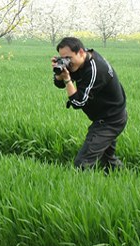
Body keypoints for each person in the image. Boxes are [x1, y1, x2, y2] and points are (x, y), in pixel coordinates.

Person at [52, 37, 127, 172]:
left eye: (68, 58)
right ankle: (126, 178)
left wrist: (68, 79)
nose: (67, 62)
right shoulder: (80, 61)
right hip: (109, 116)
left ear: (81, 52)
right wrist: (60, 73)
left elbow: (78, 102)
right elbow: (59, 85)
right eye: (63, 58)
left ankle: (79, 189)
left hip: (110, 120)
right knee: (108, 160)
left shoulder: (95, 69)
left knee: (82, 164)